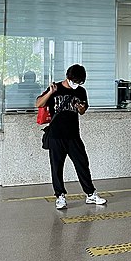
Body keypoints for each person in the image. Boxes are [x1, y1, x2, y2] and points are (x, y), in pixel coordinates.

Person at [35, 64, 107, 210]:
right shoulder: (55, 88)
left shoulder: (81, 91)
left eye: (80, 82)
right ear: (68, 77)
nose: (77, 85)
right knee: (57, 167)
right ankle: (60, 196)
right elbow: (38, 103)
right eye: (75, 81)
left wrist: (81, 108)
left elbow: (82, 111)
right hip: (56, 136)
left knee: (82, 164)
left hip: (73, 136)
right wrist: (50, 93)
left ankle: (90, 194)